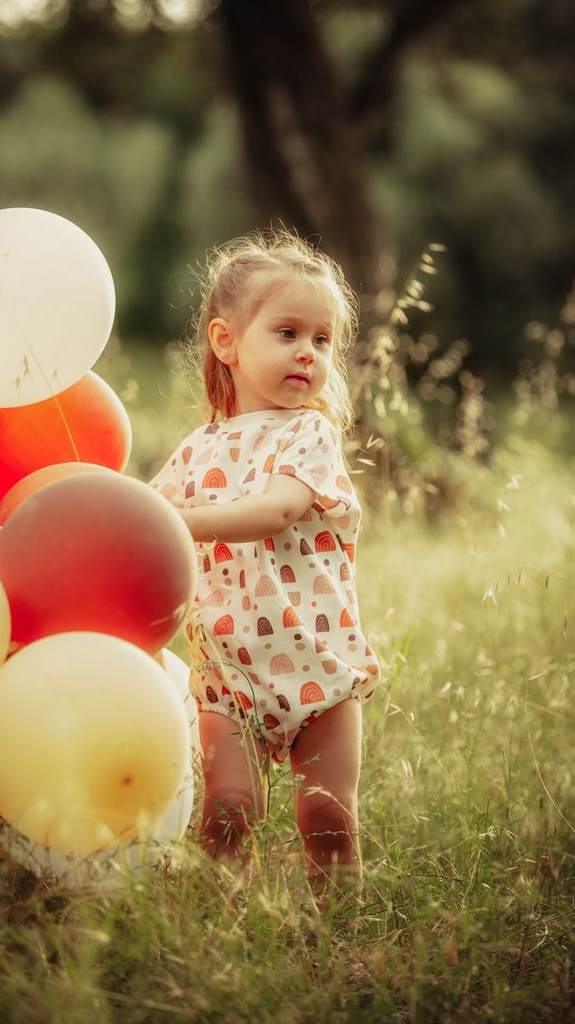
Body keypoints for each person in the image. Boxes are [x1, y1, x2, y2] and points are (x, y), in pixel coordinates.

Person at [151, 229, 380, 895]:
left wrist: (175, 521)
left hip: (318, 664)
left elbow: (274, 511)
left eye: (320, 339)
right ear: (226, 342)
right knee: (228, 810)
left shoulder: (308, 434)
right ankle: (221, 939)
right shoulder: (197, 450)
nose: (307, 353)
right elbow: (141, 521)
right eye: (286, 333)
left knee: (326, 812)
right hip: (228, 670)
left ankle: (338, 938)